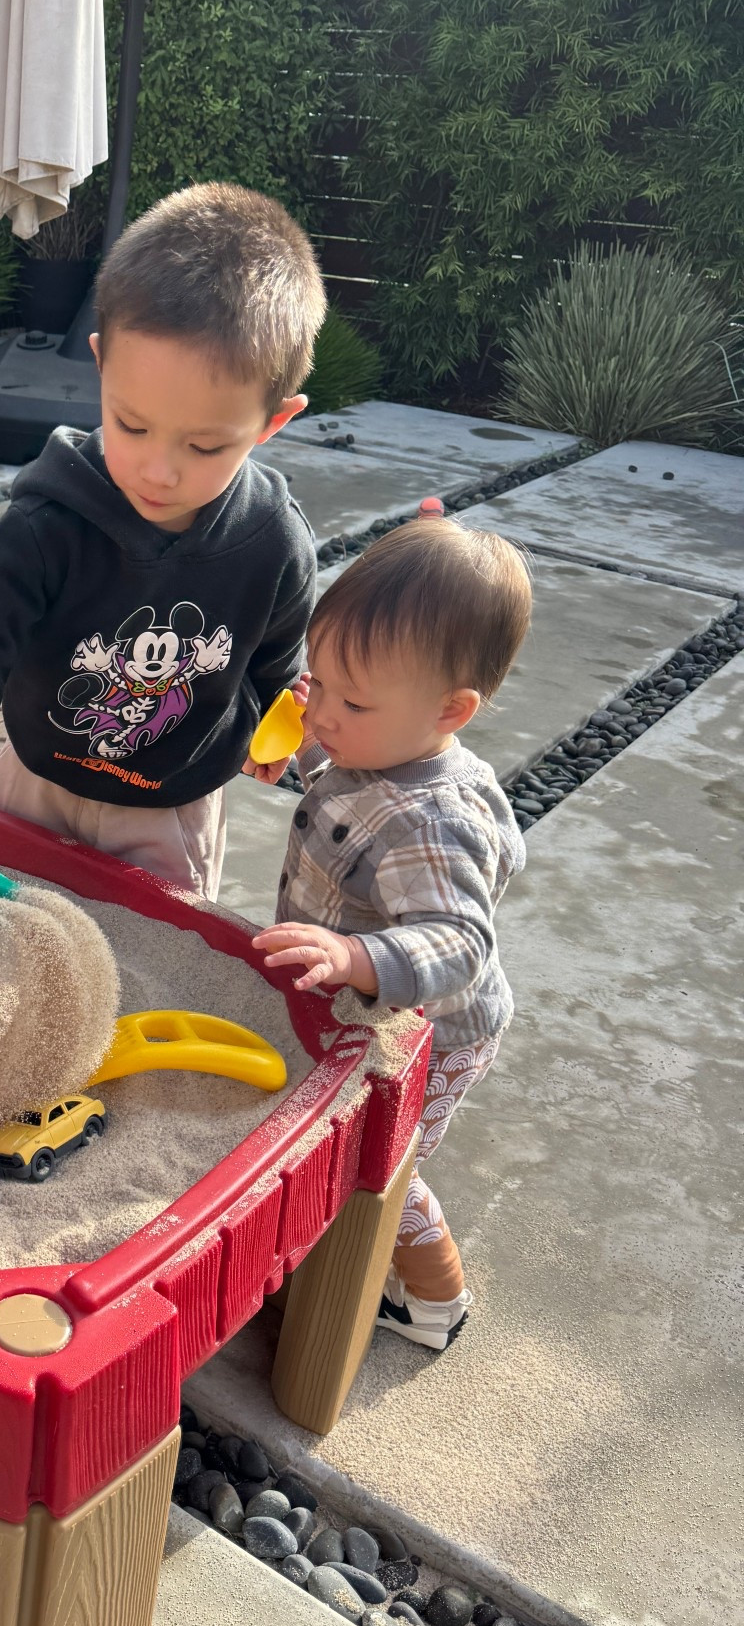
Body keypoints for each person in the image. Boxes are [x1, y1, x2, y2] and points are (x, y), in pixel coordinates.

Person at [0, 180, 327, 904]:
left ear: (271, 424)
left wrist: (270, 728)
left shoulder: (275, 546)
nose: (159, 471)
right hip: (36, 780)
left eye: (203, 444)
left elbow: (273, 664)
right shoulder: (48, 524)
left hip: (172, 807)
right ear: (99, 366)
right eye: (131, 425)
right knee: (1, 922)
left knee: (149, 955)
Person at [251, 516, 533, 1351]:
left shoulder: (431, 819)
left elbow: (459, 942)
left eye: (352, 701)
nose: (326, 711)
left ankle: (436, 1304)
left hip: (432, 1036)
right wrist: (302, 739)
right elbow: (340, 773)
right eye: (319, 684)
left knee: (387, 1170)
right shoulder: (380, 743)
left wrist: (354, 956)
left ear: (452, 711)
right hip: (374, 1012)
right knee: (357, 1159)